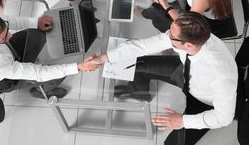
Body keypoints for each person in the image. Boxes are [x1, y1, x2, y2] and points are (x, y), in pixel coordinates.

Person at [89, 12, 238, 145]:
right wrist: (104, 58)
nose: (167, 34)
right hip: (184, 72)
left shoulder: (221, 75)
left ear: (188, 45)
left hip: (204, 101)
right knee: (136, 63)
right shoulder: (192, 35)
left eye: (172, 36)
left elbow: (224, 118)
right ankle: (138, 91)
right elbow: (143, 46)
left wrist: (183, 121)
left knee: (172, 143)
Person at [0, 12, 99, 99]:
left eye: (6, 29)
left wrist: (36, 22)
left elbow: (9, 20)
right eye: (3, 38)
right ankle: (41, 91)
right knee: (58, 72)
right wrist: (79, 67)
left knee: (38, 33)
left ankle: (20, 54)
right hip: (4, 80)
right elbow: (38, 72)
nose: (11, 35)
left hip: (7, 53)